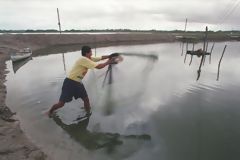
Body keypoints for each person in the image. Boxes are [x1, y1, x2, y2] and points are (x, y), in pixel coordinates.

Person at [47, 46, 119, 117]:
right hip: (70, 83)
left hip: (78, 83)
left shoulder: (88, 58)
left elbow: (100, 58)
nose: (92, 53)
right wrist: (109, 61)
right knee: (61, 104)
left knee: (86, 99)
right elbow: (98, 66)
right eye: (91, 52)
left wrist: (110, 56)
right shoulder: (83, 59)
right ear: (87, 53)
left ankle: (88, 113)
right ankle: (50, 111)